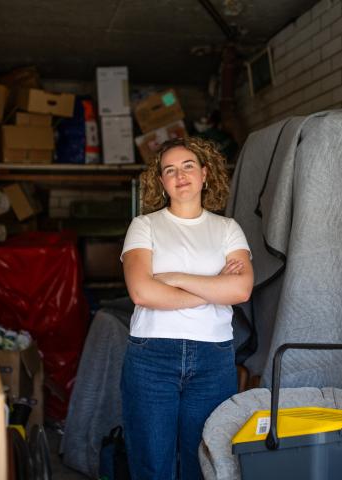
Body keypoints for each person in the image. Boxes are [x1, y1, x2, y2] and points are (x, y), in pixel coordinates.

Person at [120, 137, 254, 480]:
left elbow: (240, 289)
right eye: (170, 170)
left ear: (205, 174)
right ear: (161, 182)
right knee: (152, 464)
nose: (180, 175)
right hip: (152, 357)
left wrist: (175, 278)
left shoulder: (228, 229)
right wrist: (212, 288)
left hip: (213, 360)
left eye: (188, 166)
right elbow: (141, 291)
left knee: (205, 461)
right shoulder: (144, 226)